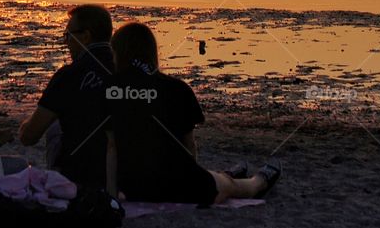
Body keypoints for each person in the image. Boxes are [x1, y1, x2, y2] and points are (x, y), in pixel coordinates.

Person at [105, 22, 280, 206]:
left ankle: (223, 175)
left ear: (118, 54)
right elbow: (189, 145)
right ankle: (259, 181)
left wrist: (112, 196)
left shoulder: (111, 90)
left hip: (135, 186)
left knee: (216, 179)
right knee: (230, 186)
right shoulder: (177, 88)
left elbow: (111, 147)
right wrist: (191, 180)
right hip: (177, 183)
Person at [19, 4, 114, 188]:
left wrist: (24, 126)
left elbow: (29, 137)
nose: (66, 43)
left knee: (55, 125)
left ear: (85, 36)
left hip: (78, 172)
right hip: (122, 172)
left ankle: (58, 181)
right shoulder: (126, 71)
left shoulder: (69, 75)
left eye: (68, 36)